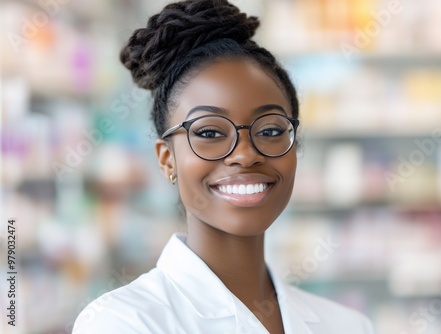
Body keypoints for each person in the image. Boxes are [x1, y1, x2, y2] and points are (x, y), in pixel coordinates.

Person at [73, 0, 373, 333]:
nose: (245, 154)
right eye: (210, 132)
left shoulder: (348, 325)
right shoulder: (122, 323)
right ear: (167, 159)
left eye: (270, 130)